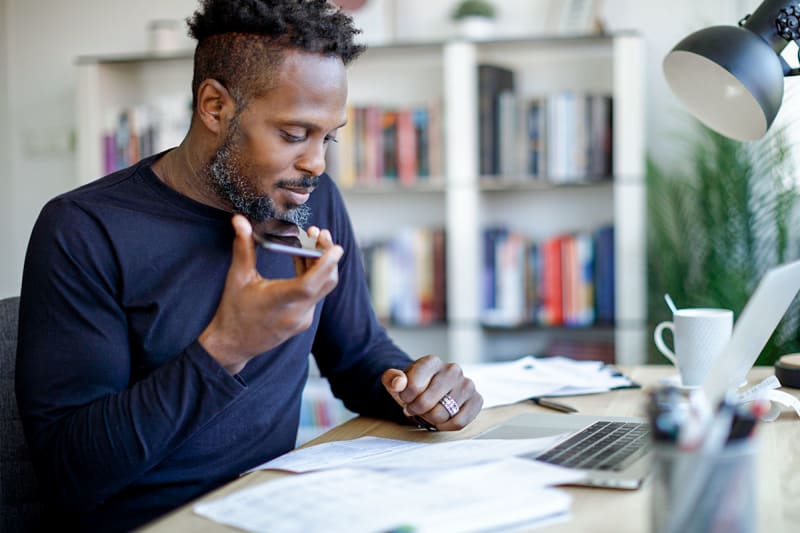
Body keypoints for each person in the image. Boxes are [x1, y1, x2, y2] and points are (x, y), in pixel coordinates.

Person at [15, 1, 483, 531]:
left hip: (277, 506)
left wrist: (418, 390)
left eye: (328, 136)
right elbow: (71, 473)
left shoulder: (309, 200)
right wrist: (226, 348)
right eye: (293, 134)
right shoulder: (84, 229)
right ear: (214, 106)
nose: (317, 164)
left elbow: (357, 355)